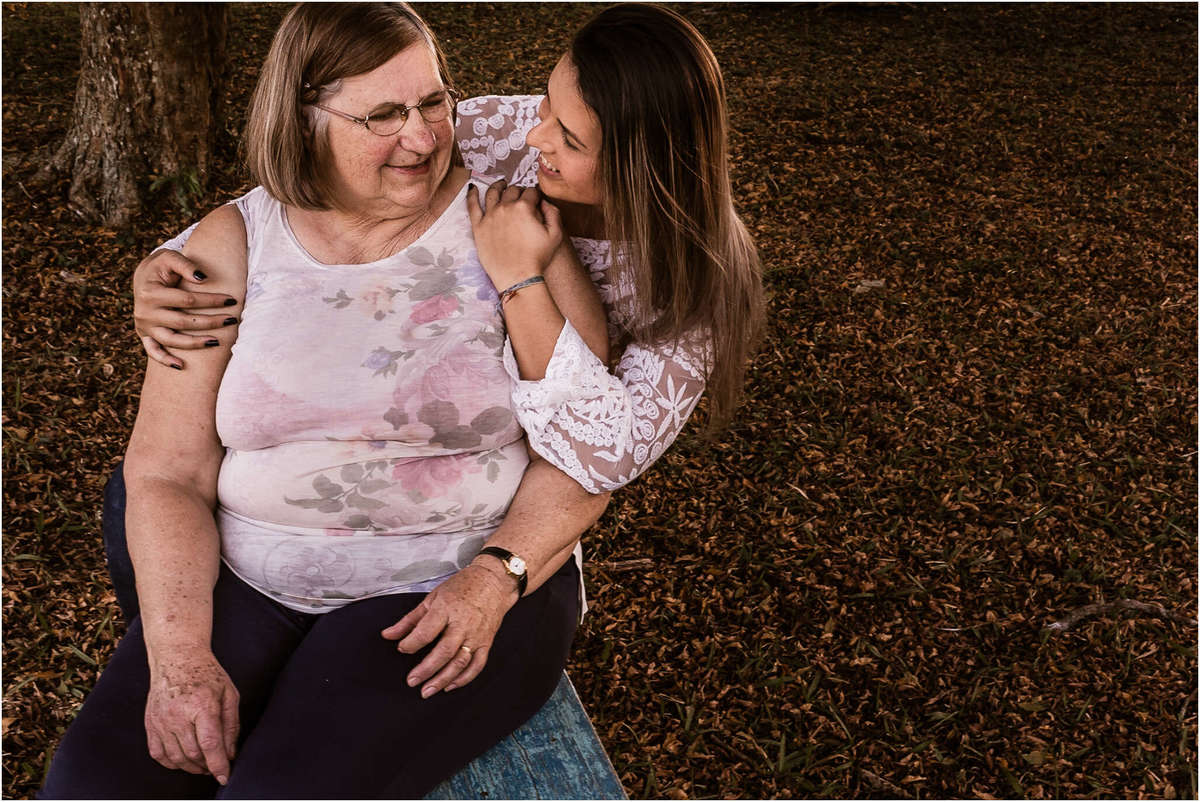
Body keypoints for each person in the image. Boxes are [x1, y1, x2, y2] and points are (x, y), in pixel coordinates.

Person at [41, 4, 612, 798]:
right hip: (252, 577)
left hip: (445, 592)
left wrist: (492, 579)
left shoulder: (508, 228)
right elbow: (168, 472)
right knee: (93, 786)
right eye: (382, 114)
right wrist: (179, 661)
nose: (421, 136)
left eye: (434, 102)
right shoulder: (231, 245)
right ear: (303, 117)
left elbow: (589, 448)